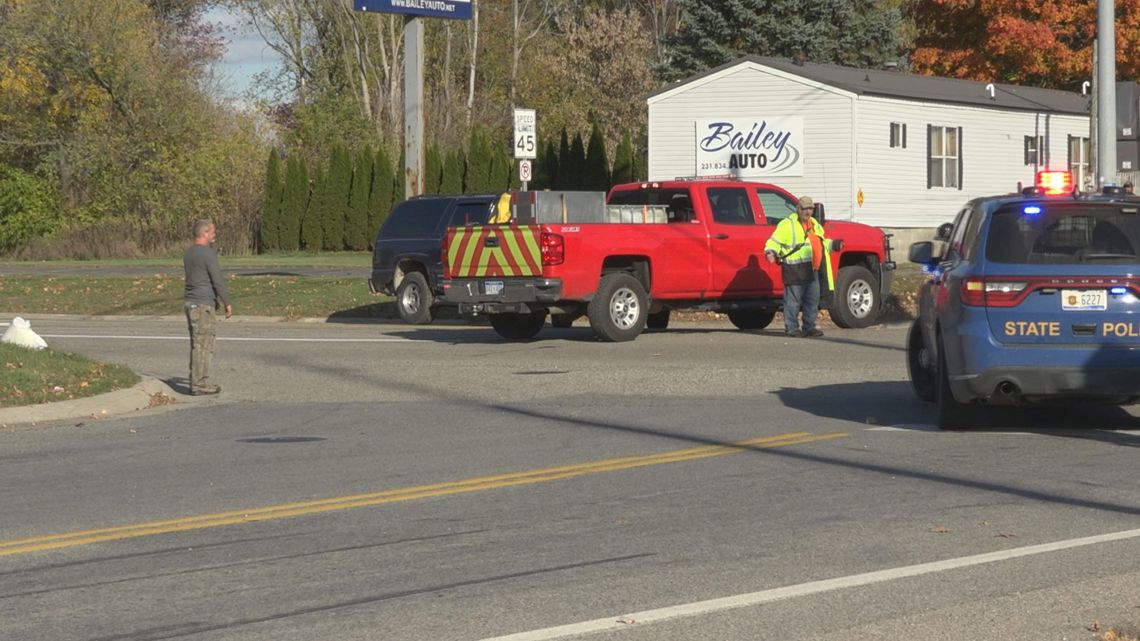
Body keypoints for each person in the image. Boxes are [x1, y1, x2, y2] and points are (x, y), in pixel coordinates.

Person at [764, 195, 835, 338]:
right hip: (795, 268)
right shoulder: (787, 224)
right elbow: (773, 242)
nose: (808, 212)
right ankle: (791, 328)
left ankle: (809, 327)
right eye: (805, 209)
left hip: (812, 268)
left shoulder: (814, 224)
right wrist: (770, 252)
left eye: (810, 209)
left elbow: (820, 242)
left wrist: (833, 244)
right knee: (793, 301)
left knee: (812, 300)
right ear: (798, 209)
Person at [183, 219, 232, 395]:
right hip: (203, 305)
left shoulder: (189, 253)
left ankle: (195, 380)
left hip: (190, 303)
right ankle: (200, 384)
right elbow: (216, 279)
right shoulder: (207, 253)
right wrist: (227, 302)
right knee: (204, 345)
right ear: (204, 233)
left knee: (197, 344)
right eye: (212, 232)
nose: (214, 235)